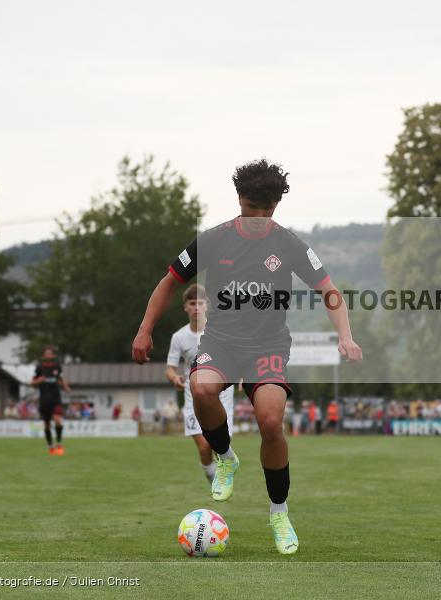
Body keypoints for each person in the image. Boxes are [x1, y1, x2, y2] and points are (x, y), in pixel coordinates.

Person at [132, 158, 362, 555]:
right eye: (251, 208)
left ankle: (279, 514)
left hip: (267, 346)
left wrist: (346, 335)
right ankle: (225, 457)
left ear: (276, 205)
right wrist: (144, 329)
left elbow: (329, 290)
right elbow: (168, 283)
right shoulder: (213, 240)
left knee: (270, 422)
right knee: (201, 389)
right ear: (239, 199)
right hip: (221, 342)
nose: (258, 217)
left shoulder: (289, 244)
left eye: (266, 210)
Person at [166, 283, 236, 486]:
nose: (196, 307)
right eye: (192, 303)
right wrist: (175, 378)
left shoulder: (220, 332)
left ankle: (222, 473)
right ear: (185, 307)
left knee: (218, 445)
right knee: (204, 446)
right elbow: (170, 368)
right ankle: (212, 478)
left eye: (200, 303)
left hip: (222, 396)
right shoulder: (179, 337)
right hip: (193, 397)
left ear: (207, 306)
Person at [31, 345, 71, 455]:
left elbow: (61, 379)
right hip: (44, 400)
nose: (48, 355)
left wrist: (66, 386)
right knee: (47, 425)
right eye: (46, 354)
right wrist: (39, 380)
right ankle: (51, 446)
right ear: (43, 356)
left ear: (53, 355)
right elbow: (32, 382)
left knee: (58, 420)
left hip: (56, 399)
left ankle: (59, 444)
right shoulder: (39, 368)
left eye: (50, 353)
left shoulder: (57, 367)